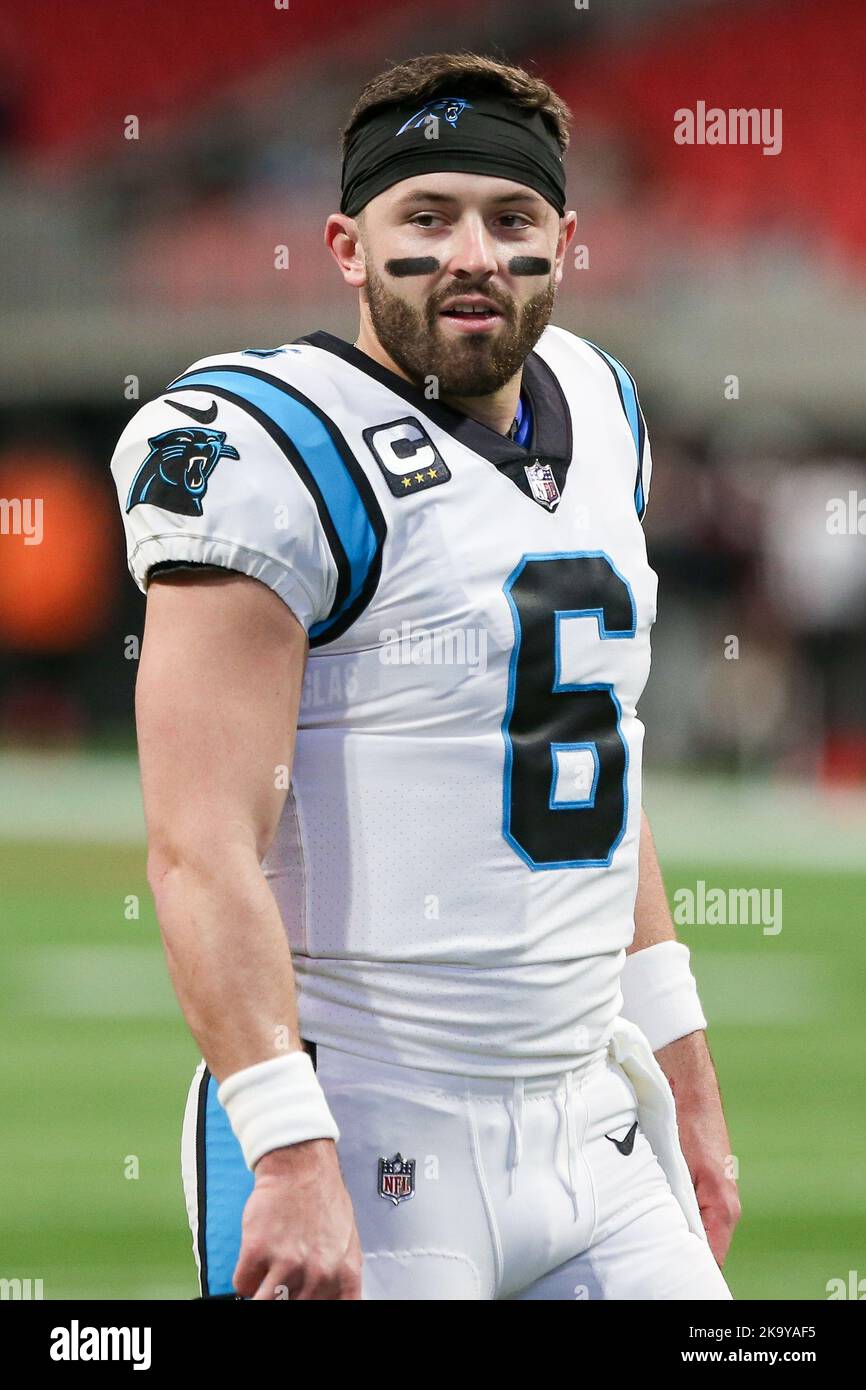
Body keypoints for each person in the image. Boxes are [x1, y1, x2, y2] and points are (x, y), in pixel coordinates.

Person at [110, 52, 739, 1300]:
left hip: (588, 1120)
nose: (471, 253)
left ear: (564, 241)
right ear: (347, 245)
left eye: (510, 220)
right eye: (427, 216)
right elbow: (197, 844)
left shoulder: (605, 409)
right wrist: (287, 1147)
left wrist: (684, 1069)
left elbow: (592, 758)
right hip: (362, 1120)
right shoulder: (268, 442)